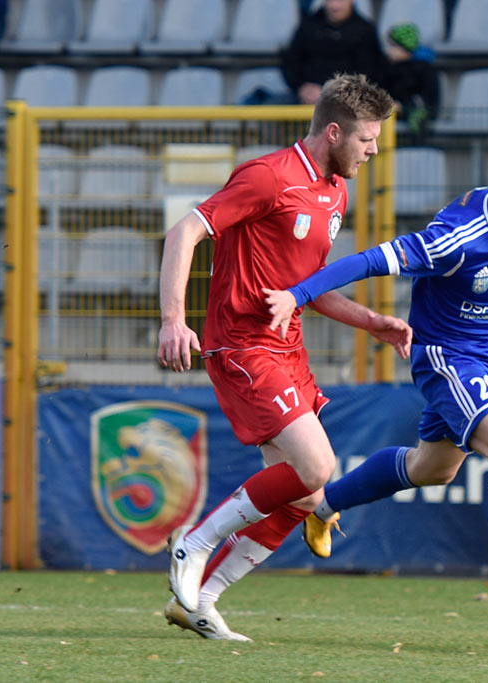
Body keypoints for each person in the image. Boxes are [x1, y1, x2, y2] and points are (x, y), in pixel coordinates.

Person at [263, 150, 488, 628]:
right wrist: (297, 295)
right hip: (445, 359)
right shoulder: (455, 243)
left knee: (430, 468)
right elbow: (369, 260)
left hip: (487, 364)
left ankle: (324, 507)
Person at [158, 73, 409, 641]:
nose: (373, 151)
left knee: (309, 495)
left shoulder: (334, 190)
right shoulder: (269, 176)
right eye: (368, 140)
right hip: (242, 343)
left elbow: (308, 287)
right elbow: (183, 234)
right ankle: (193, 545)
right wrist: (175, 319)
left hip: (286, 347)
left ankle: (201, 600)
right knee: (315, 468)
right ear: (336, 132)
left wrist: (373, 322)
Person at [281, 0, 388, 106]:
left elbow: (370, 71)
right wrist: (302, 87)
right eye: (330, 0)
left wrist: (334, 92)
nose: (335, 6)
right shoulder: (307, 26)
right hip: (306, 101)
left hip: (349, 105)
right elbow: (291, 62)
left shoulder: (365, 31)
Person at [382, 22, 440, 140]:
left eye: (393, 46)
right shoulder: (388, 68)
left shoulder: (424, 70)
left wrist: (404, 107)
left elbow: (429, 99)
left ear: (406, 47)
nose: (388, 51)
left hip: (413, 111)